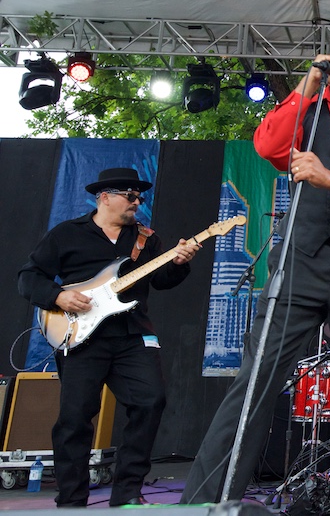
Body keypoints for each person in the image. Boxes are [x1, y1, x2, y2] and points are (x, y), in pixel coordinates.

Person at [181, 28, 330, 516]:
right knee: (255, 380)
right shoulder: (307, 109)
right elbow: (266, 144)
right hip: (300, 260)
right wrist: (303, 89)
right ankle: (206, 503)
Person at [18, 167, 200, 507]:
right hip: (82, 337)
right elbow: (29, 277)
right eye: (130, 196)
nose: (136, 202)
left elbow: (161, 281)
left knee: (150, 402)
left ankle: (127, 494)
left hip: (132, 335)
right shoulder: (67, 234)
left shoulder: (147, 238)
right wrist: (58, 297)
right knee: (75, 418)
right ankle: (71, 500)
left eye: (139, 197)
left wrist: (178, 263)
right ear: (105, 197)